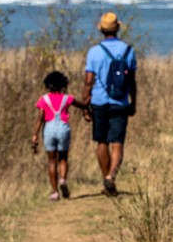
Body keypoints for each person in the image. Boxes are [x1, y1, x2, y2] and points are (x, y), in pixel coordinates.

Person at [82, 12, 138, 196]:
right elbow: (132, 81)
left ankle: (105, 175)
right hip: (120, 101)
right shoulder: (128, 51)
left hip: (99, 101)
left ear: (102, 30)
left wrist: (85, 104)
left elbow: (88, 81)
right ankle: (111, 176)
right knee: (117, 142)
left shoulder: (94, 52)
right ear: (118, 28)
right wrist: (133, 102)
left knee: (102, 141)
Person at [30, 71, 86, 201]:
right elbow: (81, 105)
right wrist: (87, 104)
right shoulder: (67, 98)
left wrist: (35, 135)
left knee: (51, 161)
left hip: (49, 129)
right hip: (63, 128)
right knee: (63, 158)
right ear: (63, 85)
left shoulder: (44, 99)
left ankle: (55, 192)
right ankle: (63, 180)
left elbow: (40, 118)